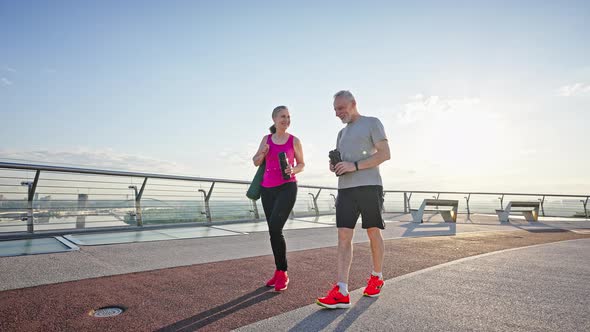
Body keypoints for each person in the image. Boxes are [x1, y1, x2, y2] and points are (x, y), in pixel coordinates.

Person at [316, 90, 390, 309]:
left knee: (372, 232)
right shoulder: (341, 134)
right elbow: (344, 161)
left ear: (353, 103)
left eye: (341, 108)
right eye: (335, 110)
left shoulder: (372, 122)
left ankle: (377, 277)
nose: (338, 113)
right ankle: (341, 290)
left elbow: (385, 154)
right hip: (346, 189)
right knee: (343, 237)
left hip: (369, 186)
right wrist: (336, 166)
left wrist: (355, 165)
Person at [252, 105, 305, 291]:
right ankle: (278, 271)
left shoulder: (294, 140)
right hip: (267, 189)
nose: (286, 120)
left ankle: (283, 273)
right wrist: (263, 153)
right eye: (283, 116)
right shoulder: (266, 139)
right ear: (274, 119)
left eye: (289, 117)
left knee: (276, 227)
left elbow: (302, 164)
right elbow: (255, 161)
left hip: (287, 187)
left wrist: (293, 169)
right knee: (273, 231)